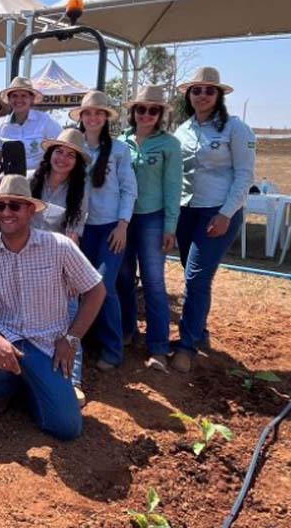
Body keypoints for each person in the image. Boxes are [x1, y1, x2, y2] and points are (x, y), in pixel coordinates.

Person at [0, 175, 105, 440]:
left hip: (48, 345)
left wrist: (72, 339)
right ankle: (7, 388)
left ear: (30, 211)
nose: (6, 212)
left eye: (15, 206)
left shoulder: (58, 246)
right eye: (0, 206)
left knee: (67, 429)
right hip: (7, 337)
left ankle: (33, 388)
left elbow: (96, 290)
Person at [172, 67, 255, 372]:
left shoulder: (235, 128)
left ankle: (187, 345)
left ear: (218, 95)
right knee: (192, 273)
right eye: (197, 90)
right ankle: (200, 332)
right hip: (186, 211)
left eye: (209, 90)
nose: (202, 95)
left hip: (217, 212)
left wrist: (225, 213)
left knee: (196, 277)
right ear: (189, 95)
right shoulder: (182, 131)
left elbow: (245, 175)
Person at [116, 86, 183, 373]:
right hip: (123, 219)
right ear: (133, 112)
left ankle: (158, 346)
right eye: (141, 109)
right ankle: (128, 331)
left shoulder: (169, 145)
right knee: (124, 277)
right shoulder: (121, 142)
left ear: (161, 114)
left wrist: (170, 225)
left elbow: (173, 187)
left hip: (153, 219)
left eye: (153, 110)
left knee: (154, 282)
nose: (146, 115)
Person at [72, 91, 137, 371]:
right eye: (88, 113)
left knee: (103, 286)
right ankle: (89, 338)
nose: (93, 117)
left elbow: (128, 188)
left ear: (106, 118)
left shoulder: (120, 150)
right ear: (82, 117)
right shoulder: (75, 147)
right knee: (80, 285)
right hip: (84, 227)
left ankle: (113, 348)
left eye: (99, 113)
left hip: (111, 227)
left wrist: (123, 225)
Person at [30, 128, 90, 404]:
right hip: (25, 254)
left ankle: (73, 379)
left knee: (70, 309)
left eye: (70, 155)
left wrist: (62, 269)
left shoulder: (80, 189)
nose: (63, 158)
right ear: (49, 154)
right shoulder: (31, 180)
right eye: (59, 151)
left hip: (59, 255)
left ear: (77, 162)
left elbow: (74, 233)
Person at [0, 76, 61, 172]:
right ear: (9, 100)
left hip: (38, 180)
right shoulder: (1, 124)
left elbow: (61, 147)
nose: (19, 100)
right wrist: (0, 175)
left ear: (32, 99)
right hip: (9, 179)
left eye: (24, 95)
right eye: (14, 96)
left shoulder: (46, 121)